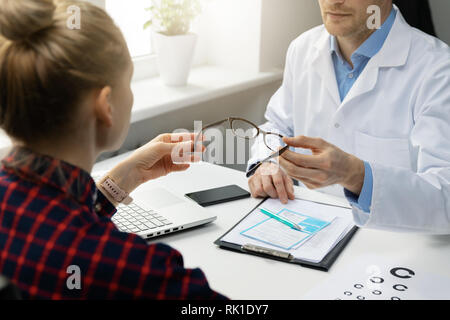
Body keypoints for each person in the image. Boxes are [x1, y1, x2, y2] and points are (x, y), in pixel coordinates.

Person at [0, 0, 226, 299]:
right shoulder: (132, 270)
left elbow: (51, 222)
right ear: (105, 105)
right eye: (129, 82)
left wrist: (122, 180)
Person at [247, 0, 450, 233]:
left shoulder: (438, 70)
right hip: (306, 232)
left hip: (394, 250)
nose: (333, 1)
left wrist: (355, 176)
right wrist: (267, 162)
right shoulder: (302, 48)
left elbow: (445, 195)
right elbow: (276, 124)